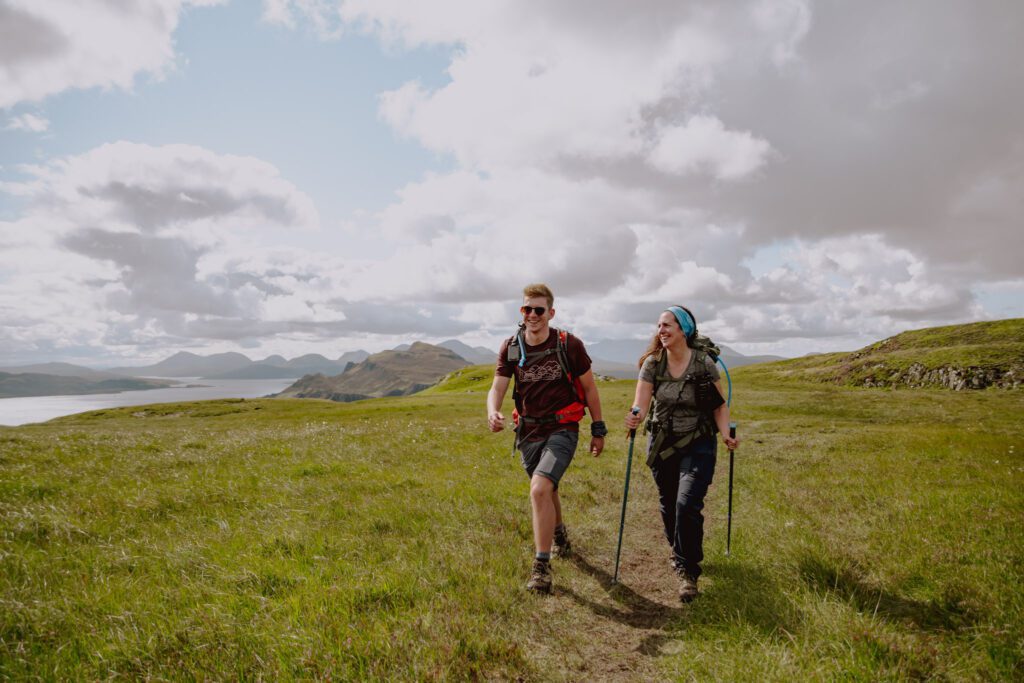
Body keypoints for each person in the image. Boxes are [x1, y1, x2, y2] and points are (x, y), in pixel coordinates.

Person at [487, 283, 607, 594]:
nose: (533, 315)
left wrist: (598, 428)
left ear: (551, 313)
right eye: (527, 309)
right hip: (528, 431)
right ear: (521, 311)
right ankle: (560, 534)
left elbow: (590, 388)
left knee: (539, 487)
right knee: (546, 488)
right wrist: (492, 411)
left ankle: (541, 567)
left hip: (562, 428)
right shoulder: (511, 346)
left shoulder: (570, 345)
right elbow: (498, 386)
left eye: (539, 310)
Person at [624, 305, 739, 602]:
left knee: (686, 504)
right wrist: (635, 415)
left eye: (667, 325)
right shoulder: (652, 364)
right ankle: (680, 551)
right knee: (669, 504)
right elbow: (641, 402)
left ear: (683, 330)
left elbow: (719, 405)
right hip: (663, 444)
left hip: (699, 442)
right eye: (659, 326)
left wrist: (725, 433)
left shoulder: (703, 363)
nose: (661, 331)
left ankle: (688, 570)